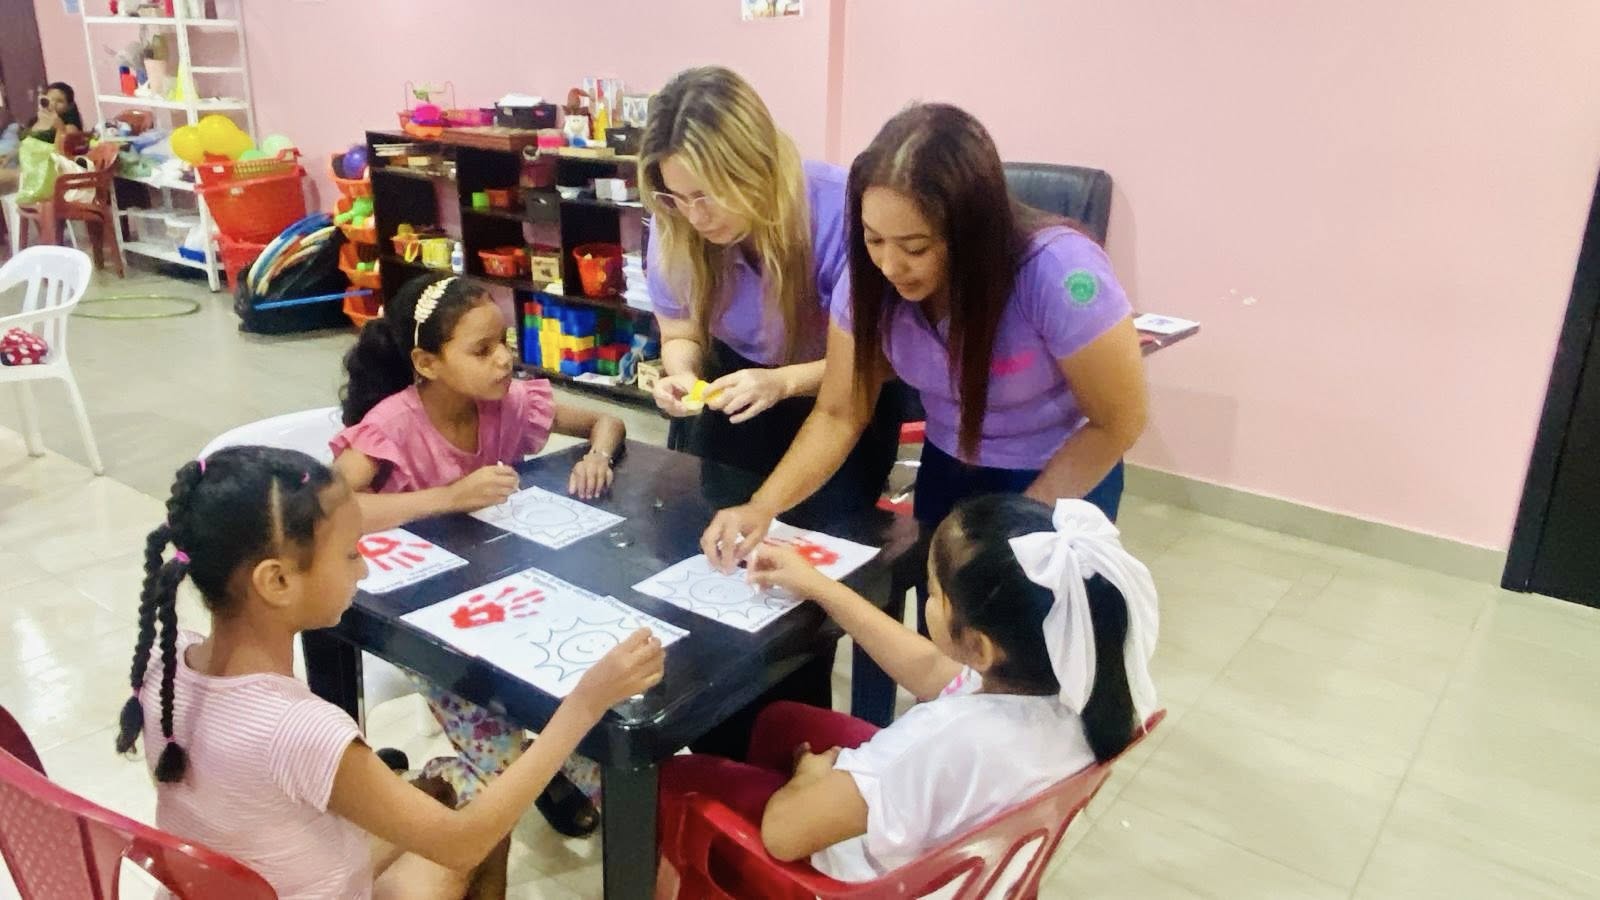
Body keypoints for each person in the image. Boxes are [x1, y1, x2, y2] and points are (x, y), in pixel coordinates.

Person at [114, 446, 664, 900]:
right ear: (276, 582)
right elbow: (463, 843)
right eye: (350, 554)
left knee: (445, 787)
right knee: (482, 812)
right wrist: (585, 703)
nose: (365, 567)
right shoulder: (300, 730)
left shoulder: (166, 663)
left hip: (234, 884)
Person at [703, 103, 1147, 571]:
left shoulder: (1059, 272)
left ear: (971, 233)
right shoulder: (867, 284)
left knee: (1028, 608)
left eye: (915, 247)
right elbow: (839, 412)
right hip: (949, 466)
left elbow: (1119, 421)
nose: (890, 266)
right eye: (874, 239)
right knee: (943, 605)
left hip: (1063, 472)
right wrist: (762, 506)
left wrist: (1018, 524)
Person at [658, 494, 1158, 883]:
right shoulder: (1076, 689)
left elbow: (783, 834)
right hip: (952, 848)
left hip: (862, 881)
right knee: (778, 721)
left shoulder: (939, 739)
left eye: (934, 594)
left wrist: (811, 776)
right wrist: (820, 586)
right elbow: (929, 666)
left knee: (678, 776)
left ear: (979, 646)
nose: (929, 601)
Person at [332, 273, 625, 836]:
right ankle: (439, 784)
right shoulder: (395, 424)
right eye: (482, 349)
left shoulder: (508, 403)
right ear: (427, 362)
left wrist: (598, 457)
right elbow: (329, 505)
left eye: (505, 342)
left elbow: (605, 421)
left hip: (512, 598)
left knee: (588, 698)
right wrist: (447, 498)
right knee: (502, 773)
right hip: (427, 620)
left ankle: (564, 772)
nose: (504, 360)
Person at [640, 65, 901, 512]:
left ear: (754, 167)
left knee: (830, 533)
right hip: (739, 384)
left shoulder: (839, 211)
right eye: (676, 197)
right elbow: (680, 333)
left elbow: (882, 359)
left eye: (705, 195)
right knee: (722, 519)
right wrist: (682, 374)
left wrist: (783, 382)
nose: (695, 217)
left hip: (842, 386)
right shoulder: (674, 222)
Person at [25, 82, 84, 151]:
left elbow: (66, 150)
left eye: (60, 101)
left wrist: (60, 128)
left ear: (68, 107)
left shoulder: (70, 127)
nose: (53, 104)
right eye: (51, 99)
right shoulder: (35, 121)